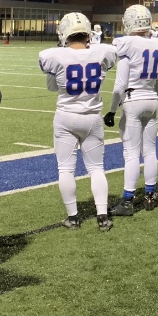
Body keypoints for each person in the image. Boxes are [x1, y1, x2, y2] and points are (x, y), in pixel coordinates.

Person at [39, 13, 118, 231]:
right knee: (96, 168)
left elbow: (51, 85)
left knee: (65, 169)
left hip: (66, 117)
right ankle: (102, 216)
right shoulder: (102, 51)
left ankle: (73, 217)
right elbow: (111, 55)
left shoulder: (55, 55)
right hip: (92, 117)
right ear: (88, 32)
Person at [106, 4, 158, 215]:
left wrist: (112, 110)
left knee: (132, 153)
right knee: (150, 150)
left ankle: (127, 201)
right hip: (151, 99)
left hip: (133, 100)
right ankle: (150, 197)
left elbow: (120, 84)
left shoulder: (127, 44)